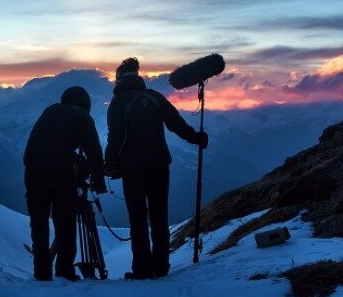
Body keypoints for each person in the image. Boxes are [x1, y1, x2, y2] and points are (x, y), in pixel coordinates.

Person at [104, 58, 208, 279]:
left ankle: (142, 269)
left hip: (133, 168)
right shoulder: (154, 97)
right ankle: (161, 266)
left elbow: (116, 137)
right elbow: (176, 123)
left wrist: (110, 163)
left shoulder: (118, 102)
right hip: (160, 164)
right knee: (159, 216)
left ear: (119, 78)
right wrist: (196, 138)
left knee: (138, 218)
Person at [23, 86, 107, 281]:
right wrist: (98, 182)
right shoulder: (83, 118)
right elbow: (94, 152)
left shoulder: (50, 111)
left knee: (39, 223)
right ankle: (64, 271)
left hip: (33, 171)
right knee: (65, 223)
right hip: (61, 174)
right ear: (86, 104)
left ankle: (41, 273)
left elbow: (48, 144)